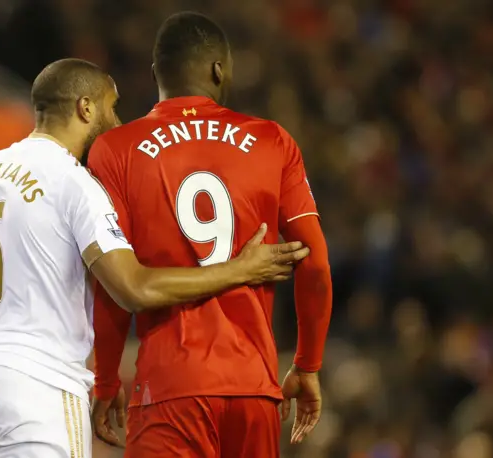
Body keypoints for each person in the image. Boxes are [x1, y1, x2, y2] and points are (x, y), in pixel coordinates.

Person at [0, 58, 309, 458]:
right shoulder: (73, 182)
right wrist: (241, 269)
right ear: (85, 108)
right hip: (37, 383)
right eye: (111, 106)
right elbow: (134, 288)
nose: (117, 119)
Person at [89, 12, 333, 458]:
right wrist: (307, 363)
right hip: (252, 386)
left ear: (157, 73)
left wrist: (106, 380)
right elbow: (314, 261)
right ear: (219, 69)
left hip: (169, 387)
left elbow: (110, 286)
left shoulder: (116, 149)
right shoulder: (272, 141)